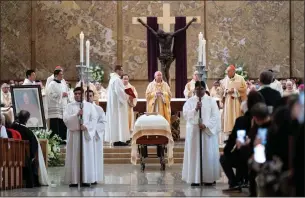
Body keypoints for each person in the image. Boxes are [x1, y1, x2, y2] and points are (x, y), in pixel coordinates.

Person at [221, 91, 265, 192]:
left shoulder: (241, 120)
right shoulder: (267, 119)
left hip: (246, 156)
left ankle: (235, 182)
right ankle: (242, 181)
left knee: (226, 158)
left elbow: (233, 140)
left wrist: (226, 151)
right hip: (261, 156)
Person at [182, 81, 221, 186]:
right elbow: (186, 115)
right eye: (197, 89)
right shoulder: (190, 101)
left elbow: (216, 116)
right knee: (195, 154)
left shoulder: (211, 101)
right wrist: (195, 109)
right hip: (194, 133)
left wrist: (206, 125)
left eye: (201, 89)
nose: (199, 91)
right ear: (194, 90)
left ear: (205, 90)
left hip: (206, 132)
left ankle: (208, 178)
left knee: (208, 153)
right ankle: (195, 178)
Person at [63, 87, 97, 187]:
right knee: (74, 156)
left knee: (85, 156)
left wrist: (86, 126)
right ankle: (74, 180)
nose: (77, 95)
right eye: (75, 94)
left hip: (85, 135)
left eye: (79, 93)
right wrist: (76, 115)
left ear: (83, 95)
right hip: (74, 136)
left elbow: (94, 119)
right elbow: (66, 119)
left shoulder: (90, 106)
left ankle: (85, 179)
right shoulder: (69, 106)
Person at [11, 110, 49, 187]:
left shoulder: (11, 127)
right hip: (24, 159)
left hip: (10, 156)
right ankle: (32, 181)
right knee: (32, 160)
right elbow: (34, 146)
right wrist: (32, 157)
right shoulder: (28, 132)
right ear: (27, 119)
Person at [105, 65, 129, 146]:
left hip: (114, 104)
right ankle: (118, 140)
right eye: (121, 70)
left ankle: (116, 139)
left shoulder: (112, 79)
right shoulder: (117, 80)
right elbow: (120, 92)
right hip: (118, 105)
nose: (122, 72)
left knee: (115, 121)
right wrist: (127, 95)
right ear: (117, 70)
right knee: (119, 121)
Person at [86, 90, 106, 184]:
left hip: (95, 138)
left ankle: (94, 177)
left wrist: (93, 129)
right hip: (85, 138)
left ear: (93, 97)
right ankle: (85, 177)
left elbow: (103, 122)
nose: (88, 98)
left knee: (95, 158)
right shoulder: (81, 109)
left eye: (90, 96)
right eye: (86, 96)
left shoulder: (99, 109)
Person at [221, 65, 247, 133]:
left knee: (237, 115)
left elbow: (244, 89)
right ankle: (229, 130)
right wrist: (225, 91)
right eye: (227, 72)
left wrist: (234, 90)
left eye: (229, 71)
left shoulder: (240, 78)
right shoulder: (224, 80)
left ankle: (237, 128)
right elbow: (222, 90)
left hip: (237, 101)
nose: (227, 73)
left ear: (233, 71)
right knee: (228, 116)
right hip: (228, 100)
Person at [47, 70, 67, 143]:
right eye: (60, 74)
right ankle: (55, 140)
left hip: (62, 107)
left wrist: (65, 95)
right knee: (55, 124)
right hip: (55, 107)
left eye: (62, 74)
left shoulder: (62, 83)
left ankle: (62, 138)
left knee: (61, 123)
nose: (62, 76)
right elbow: (51, 95)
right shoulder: (52, 84)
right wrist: (62, 95)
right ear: (56, 75)